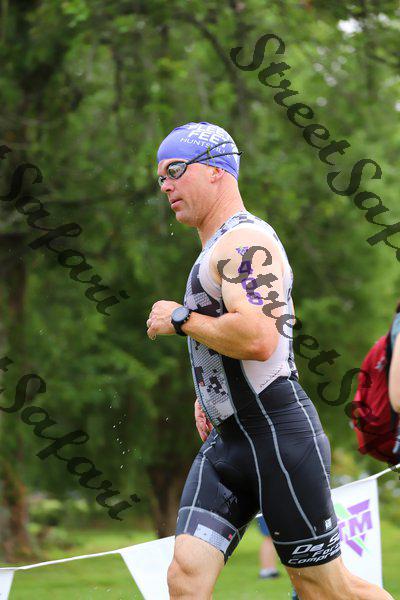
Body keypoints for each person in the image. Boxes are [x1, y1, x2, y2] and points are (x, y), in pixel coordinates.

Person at [146, 121, 393, 599]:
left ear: (216, 169)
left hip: (277, 438)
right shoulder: (216, 246)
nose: (165, 186)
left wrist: (180, 318)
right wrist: (211, 394)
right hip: (229, 443)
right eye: (160, 178)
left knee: (327, 590)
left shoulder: (244, 242)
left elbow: (259, 337)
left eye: (175, 171)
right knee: (185, 577)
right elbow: (236, 341)